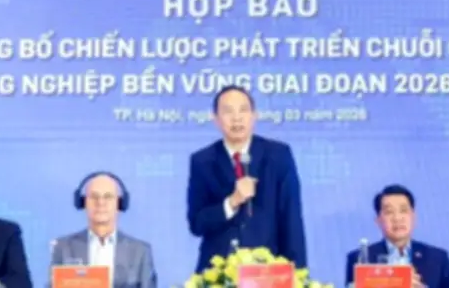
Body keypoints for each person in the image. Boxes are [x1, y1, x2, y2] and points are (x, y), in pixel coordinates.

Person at [186, 85, 307, 272]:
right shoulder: (202, 161)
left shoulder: (278, 155)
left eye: (243, 110)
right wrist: (231, 202)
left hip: (267, 271)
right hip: (217, 274)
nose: (237, 118)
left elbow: (291, 218)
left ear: (254, 115)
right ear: (215, 119)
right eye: (228, 111)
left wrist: (298, 273)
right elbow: (197, 223)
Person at [50, 172, 156, 288]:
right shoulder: (63, 248)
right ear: (83, 203)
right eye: (94, 196)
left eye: (108, 197)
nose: (100, 203)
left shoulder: (140, 252)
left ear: (119, 203)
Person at [344, 184, 449, 288]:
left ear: (413, 216)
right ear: (378, 220)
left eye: (403, 211)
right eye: (389, 212)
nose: (397, 218)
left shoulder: (438, 258)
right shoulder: (360, 258)